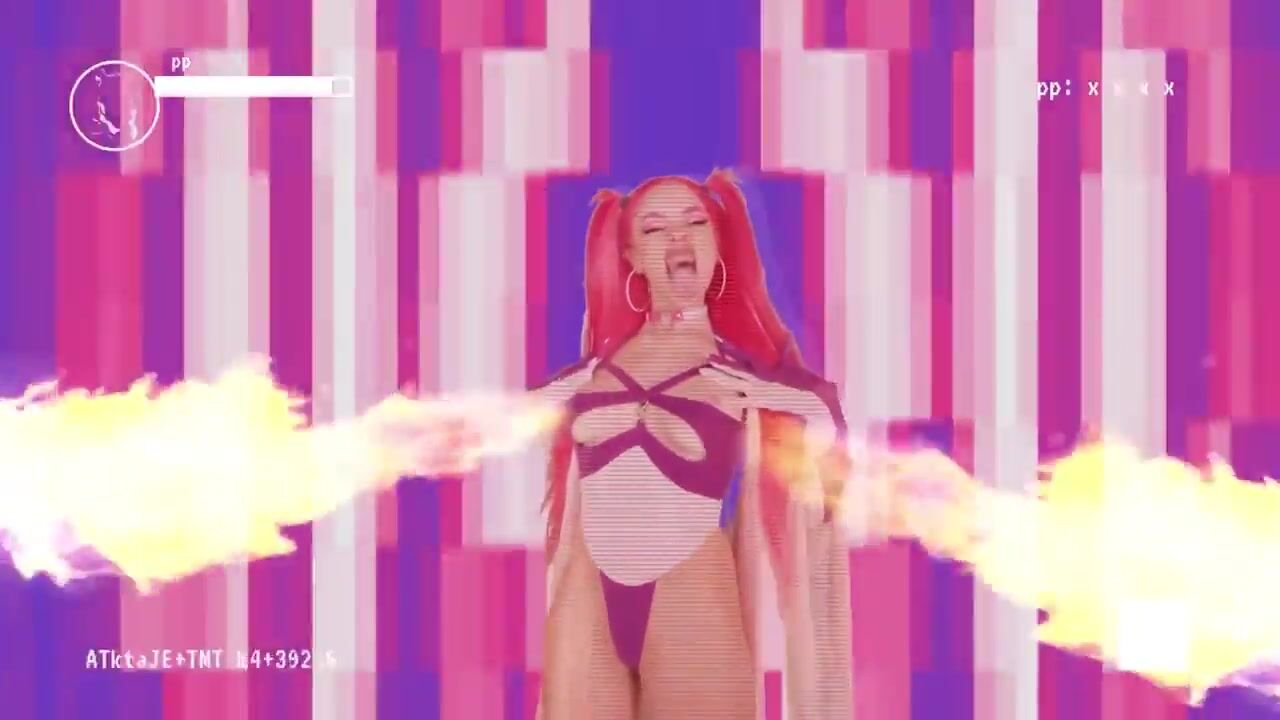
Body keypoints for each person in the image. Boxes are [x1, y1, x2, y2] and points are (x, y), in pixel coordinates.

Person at [532, 170, 853, 719]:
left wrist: (782, 397)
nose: (678, 237)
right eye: (655, 229)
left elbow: (830, 445)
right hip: (586, 594)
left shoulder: (740, 366)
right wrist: (547, 398)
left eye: (696, 222)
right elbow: (495, 429)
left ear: (718, 244)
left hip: (689, 594)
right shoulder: (594, 366)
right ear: (632, 256)